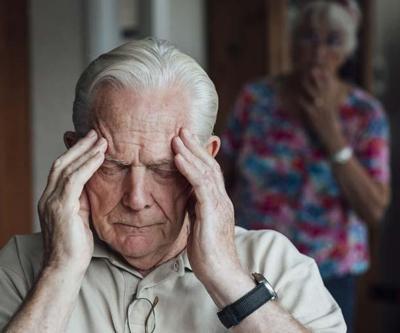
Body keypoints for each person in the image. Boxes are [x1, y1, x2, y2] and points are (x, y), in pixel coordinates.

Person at [0, 38, 345, 333]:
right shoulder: (21, 264)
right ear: (74, 156)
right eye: (113, 166)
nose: (136, 199)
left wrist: (227, 277)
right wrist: (59, 272)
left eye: (163, 169)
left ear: (206, 161)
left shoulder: (275, 262)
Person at [219, 1, 390, 332]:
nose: (318, 50)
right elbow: (221, 173)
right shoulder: (256, 99)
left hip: (331, 271)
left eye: (333, 40)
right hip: (253, 263)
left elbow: (375, 210)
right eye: (308, 37)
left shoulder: (364, 114)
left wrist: (332, 135)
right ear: (292, 43)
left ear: (349, 50)